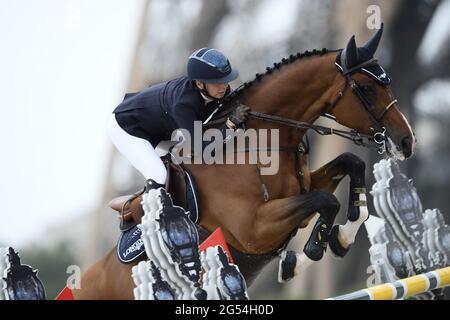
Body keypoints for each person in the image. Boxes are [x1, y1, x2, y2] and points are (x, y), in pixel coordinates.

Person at [109, 48, 250, 194]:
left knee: (189, 164)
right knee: (159, 174)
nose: (224, 86)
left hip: (161, 127)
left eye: (225, 80)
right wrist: (230, 125)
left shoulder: (219, 91)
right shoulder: (184, 105)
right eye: (217, 82)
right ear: (200, 84)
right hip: (127, 127)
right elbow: (203, 150)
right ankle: (155, 215)